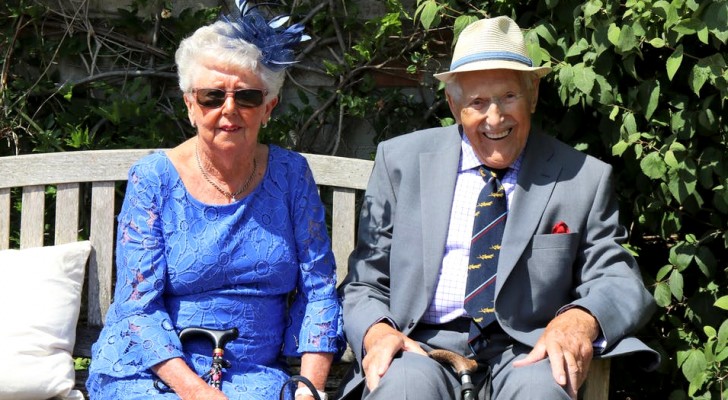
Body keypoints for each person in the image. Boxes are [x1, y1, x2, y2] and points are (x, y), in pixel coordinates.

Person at [337, 15, 658, 400]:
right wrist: (377, 331)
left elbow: (618, 279)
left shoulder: (582, 178)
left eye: (508, 97)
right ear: (454, 105)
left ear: (533, 93)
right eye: (477, 102)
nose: (495, 118)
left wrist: (579, 320)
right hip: (420, 346)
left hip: (525, 351)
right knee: (401, 390)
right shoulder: (401, 161)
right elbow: (364, 281)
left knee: (544, 392)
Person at [86, 3, 343, 399]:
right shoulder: (153, 178)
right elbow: (138, 308)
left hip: (254, 374)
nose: (229, 110)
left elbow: (319, 290)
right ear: (190, 104)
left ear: (269, 107)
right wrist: (196, 392)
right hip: (155, 373)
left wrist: (309, 389)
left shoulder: (291, 175)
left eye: (247, 97)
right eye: (211, 96)